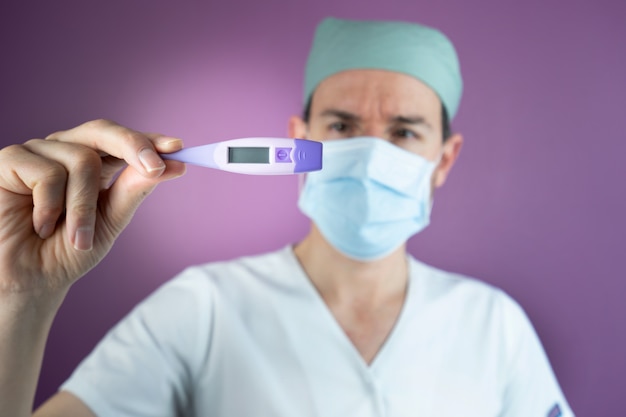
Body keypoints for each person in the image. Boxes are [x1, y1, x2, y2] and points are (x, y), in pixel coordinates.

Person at [0, 17, 574, 417]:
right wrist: (21, 297)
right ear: (298, 140)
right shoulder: (203, 308)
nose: (371, 153)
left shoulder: (494, 327)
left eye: (404, 131)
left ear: (443, 160)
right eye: (343, 127)